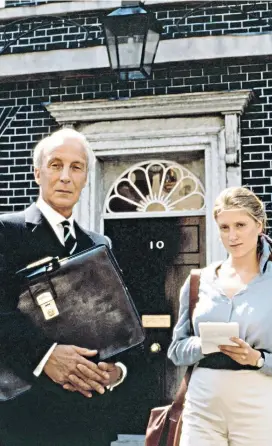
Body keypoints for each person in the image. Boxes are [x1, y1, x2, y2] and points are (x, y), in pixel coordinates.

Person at [0, 128, 131, 446]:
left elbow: (120, 322)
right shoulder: (7, 231)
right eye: (55, 165)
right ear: (37, 173)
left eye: (76, 167)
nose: (65, 177)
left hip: (90, 421)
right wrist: (45, 357)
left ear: (86, 177)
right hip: (24, 418)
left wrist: (117, 370)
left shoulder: (100, 244)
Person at [168, 186, 272, 446]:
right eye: (224, 227)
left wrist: (257, 358)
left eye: (240, 225)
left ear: (259, 226)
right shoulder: (197, 281)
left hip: (257, 405)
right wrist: (203, 344)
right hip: (202, 404)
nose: (232, 236)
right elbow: (176, 349)